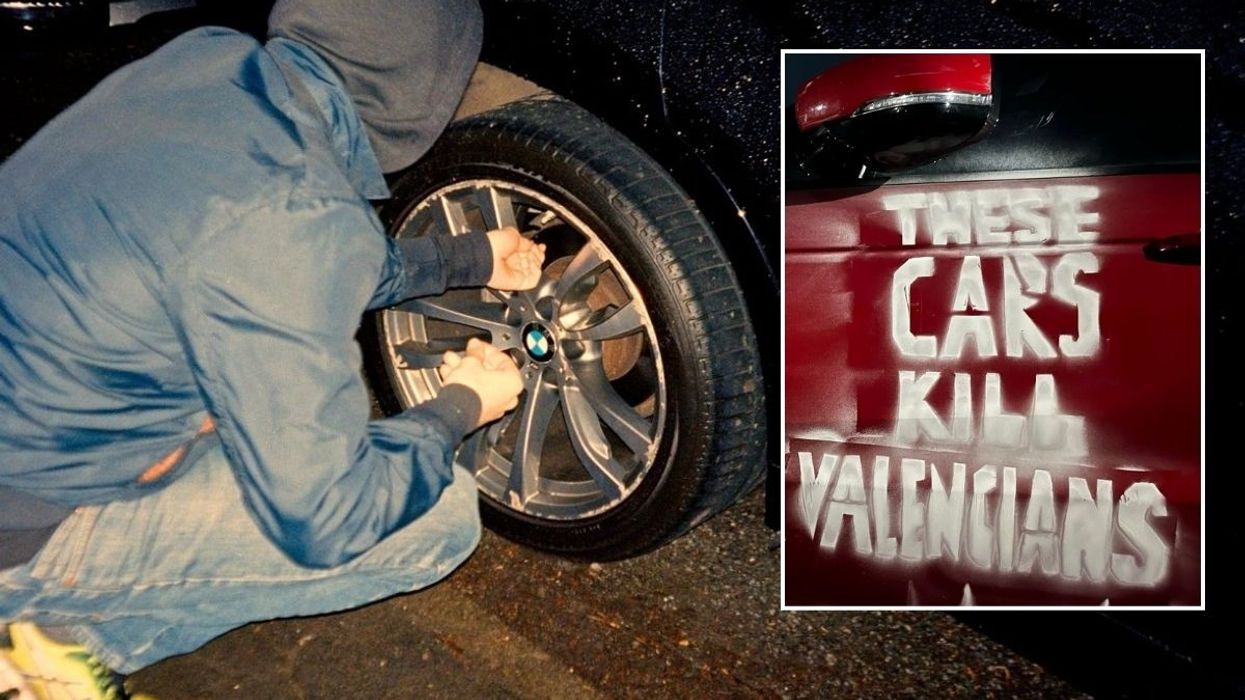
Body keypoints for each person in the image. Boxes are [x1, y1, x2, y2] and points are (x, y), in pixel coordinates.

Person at [0, 0, 543, 696]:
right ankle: (47, 652)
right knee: (430, 519)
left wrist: (469, 258)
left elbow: (274, 248)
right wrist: (458, 407)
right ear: (420, 93)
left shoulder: (204, 63)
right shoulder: (294, 222)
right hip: (19, 525)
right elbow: (326, 521)